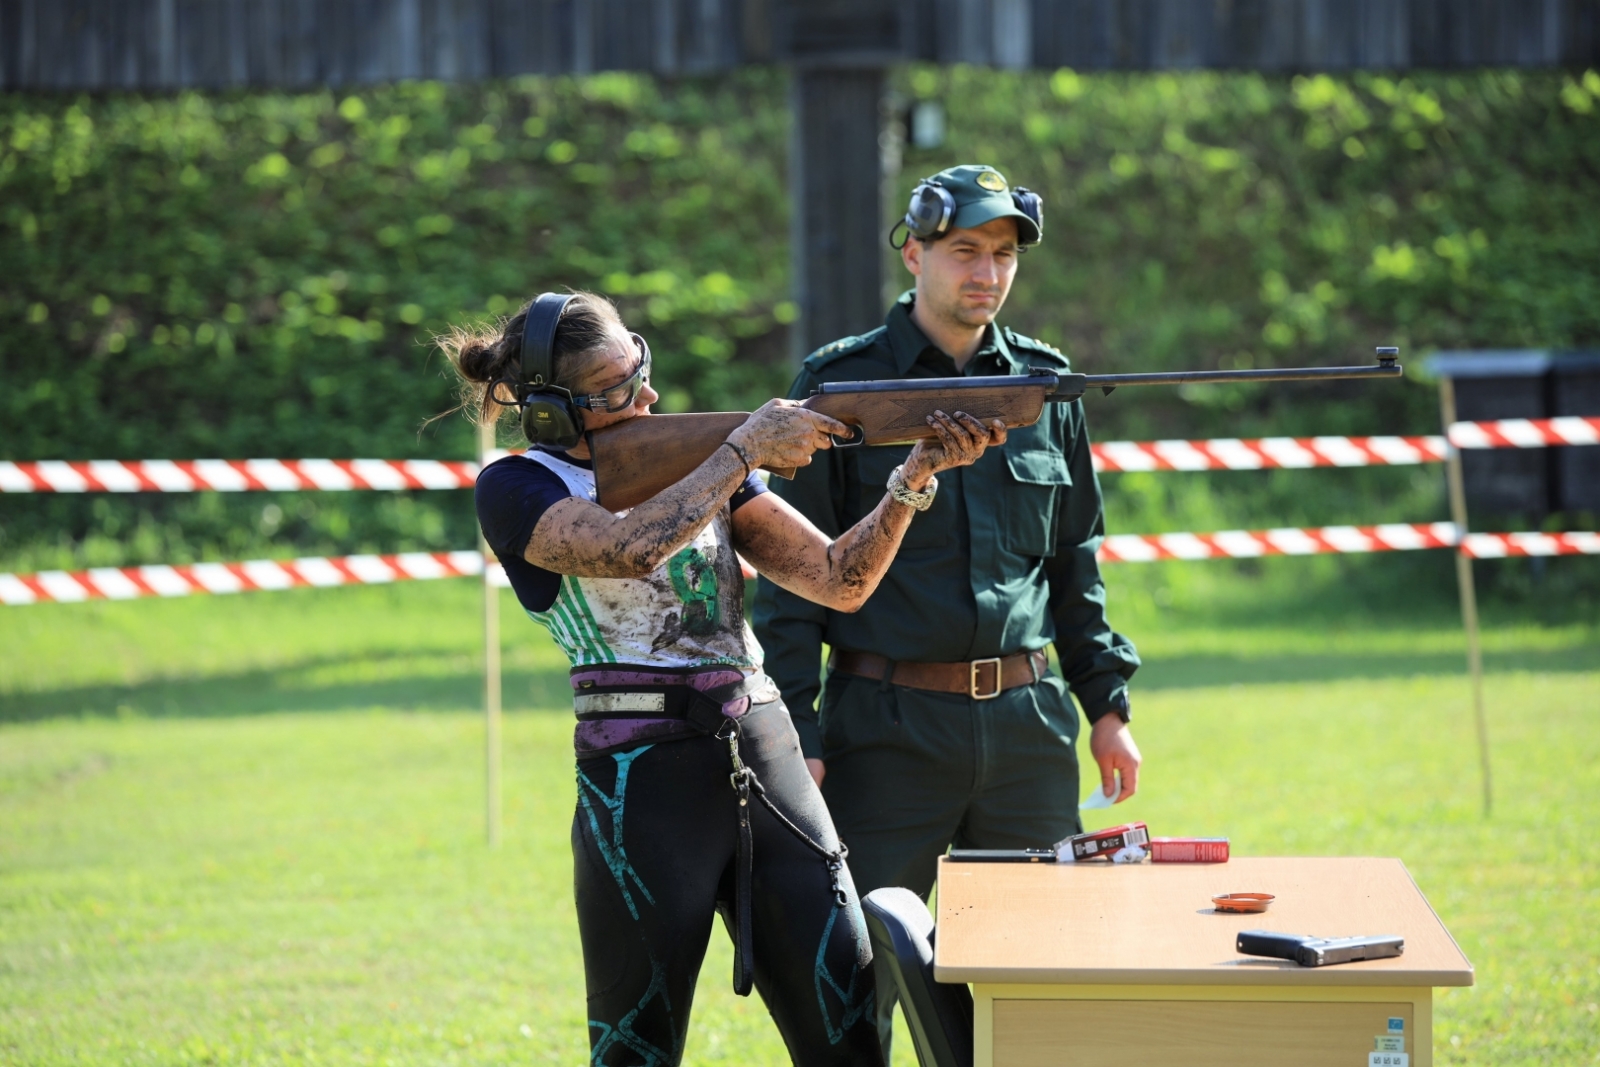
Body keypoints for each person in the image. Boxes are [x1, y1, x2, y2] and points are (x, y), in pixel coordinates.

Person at [443, 290, 1003, 1066]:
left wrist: (914, 476)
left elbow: (839, 578)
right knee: (635, 1048)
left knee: (850, 1032)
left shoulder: (699, 467)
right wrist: (739, 450)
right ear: (550, 413)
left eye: (640, 370)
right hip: (640, 778)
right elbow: (628, 547)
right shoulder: (516, 485)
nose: (648, 397)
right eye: (615, 392)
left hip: (763, 743)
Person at [751, 165, 1144, 1055]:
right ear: (914, 251)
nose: (988, 272)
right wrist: (797, 733)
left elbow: (1074, 559)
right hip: (883, 732)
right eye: (966, 250)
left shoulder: (1046, 386)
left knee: (1046, 973)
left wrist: (1107, 705)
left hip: (1025, 730)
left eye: (1004, 255)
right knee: (855, 979)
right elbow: (793, 576)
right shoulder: (841, 386)